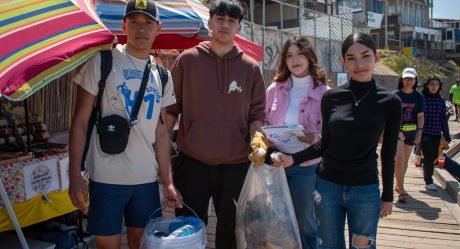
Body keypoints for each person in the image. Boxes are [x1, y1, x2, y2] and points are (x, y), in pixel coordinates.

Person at [68, 1, 182, 248]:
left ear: (158, 28)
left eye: (148, 23)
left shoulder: (162, 75)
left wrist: (167, 181)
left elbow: (162, 133)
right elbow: (79, 122)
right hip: (106, 179)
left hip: (145, 181)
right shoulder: (102, 62)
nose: (141, 30)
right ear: (124, 26)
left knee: (141, 245)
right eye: (134, 23)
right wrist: (74, 175)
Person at [273, 33, 401, 249]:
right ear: (343, 61)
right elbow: (325, 144)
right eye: (351, 58)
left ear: (376, 57)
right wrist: (292, 159)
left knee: (363, 246)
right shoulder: (331, 97)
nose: (359, 64)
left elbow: (388, 152)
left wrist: (387, 194)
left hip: (365, 189)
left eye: (365, 56)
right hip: (327, 187)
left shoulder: (390, 101)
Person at [165, 0, 266, 248]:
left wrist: (258, 140)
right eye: (219, 19)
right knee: (187, 229)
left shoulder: (251, 68)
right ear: (209, 22)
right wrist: (160, 151)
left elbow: (257, 114)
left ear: (239, 27)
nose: (225, 24)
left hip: (236, 164)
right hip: (191, 160)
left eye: (231, 21)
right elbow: (171, 109)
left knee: (231, 231)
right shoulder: (187, 60)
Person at [263, 35, 327, 249]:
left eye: (300, 53)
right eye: (289, 55)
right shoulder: (274, 89)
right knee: (276, 218)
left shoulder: (324, 93)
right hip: (276, 164)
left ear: (309, 56)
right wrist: (266, 139)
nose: (294, 59)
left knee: (306, 222)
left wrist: (316, 136)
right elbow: (262, 122)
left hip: (307, 168)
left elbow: (331, 134)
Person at [393, 68, 425, 202]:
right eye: (406, 78)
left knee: (405, 161)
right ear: (401, 79)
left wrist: (420, 132)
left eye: (411, 79)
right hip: (397, 131)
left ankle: (398, 183)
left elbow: (420, 115)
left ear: (415, 80)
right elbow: (389, 115)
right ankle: (401, 189)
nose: (408, 81)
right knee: (399, 159)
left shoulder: (419, 97)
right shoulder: (394, 95)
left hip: (411, 131)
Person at [421, 76, 452, 191]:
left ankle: (424, 167)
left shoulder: (441, 100)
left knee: (434, 156)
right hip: (424, 133)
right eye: (432, 84)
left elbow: (443, 119)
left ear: (439, 87)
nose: (434, 87)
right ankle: (428, 181)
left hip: (436, 134)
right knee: (429, 156)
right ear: (427, 86)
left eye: (437, 85)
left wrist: (447, 135)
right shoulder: (422, 98)